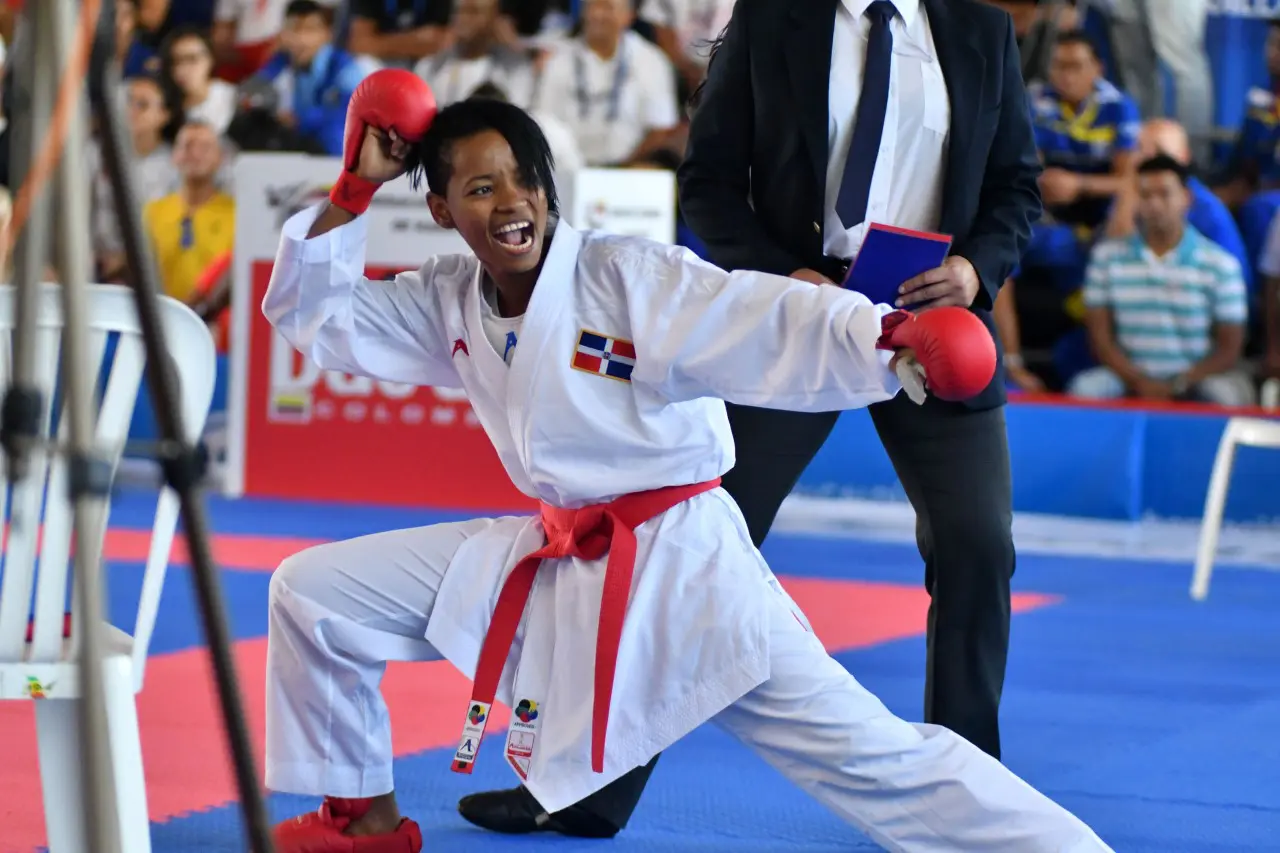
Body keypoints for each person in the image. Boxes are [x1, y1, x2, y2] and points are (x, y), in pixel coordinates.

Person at [264, 77, 1112, 853]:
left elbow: (758, 313)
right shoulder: (449, 296)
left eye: (525, 180)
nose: (512, 204)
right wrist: (355, 188)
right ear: (445, 211)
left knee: (871, 757)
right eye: (481, 189)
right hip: (563, 560)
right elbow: (320, 319)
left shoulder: (626, 277)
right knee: (314, 593)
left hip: (685, 570)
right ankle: (363, 823)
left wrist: (883, 336)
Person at [460, 0, 1043, 837]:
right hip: (790, 321)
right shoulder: (775, 20)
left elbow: (1014, 185)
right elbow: (708, 184)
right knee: (685, 543)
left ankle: (967, 799)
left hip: (930, 323)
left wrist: (972, 269)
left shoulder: (978, 29)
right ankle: (587, 785)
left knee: (978, 545)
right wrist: (781, 281)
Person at [1069, 155, 1252, 406]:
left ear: (1186, 198)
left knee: (1223, 395)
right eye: (1145, 195)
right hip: (1126, 377)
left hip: (1197, 379)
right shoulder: (1106, 259)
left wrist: (1179, 383)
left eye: (1164, 194)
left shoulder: (1220, 264)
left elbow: (1229, 350)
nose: (1154, 204)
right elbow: (1100, 340)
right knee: (1085, 389)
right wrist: (1139, 381)